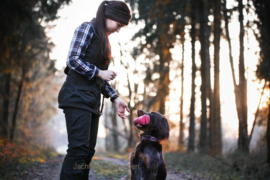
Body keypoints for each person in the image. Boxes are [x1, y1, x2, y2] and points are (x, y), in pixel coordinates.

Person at [57, 1, 131, 179]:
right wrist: (99, 72)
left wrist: (115, 98)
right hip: (76, 97)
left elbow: (99, 79)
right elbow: (73, 60)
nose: (118, 30)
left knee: (88, 151)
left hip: (91, 102)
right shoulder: (86, 28)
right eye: (118, 24)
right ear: (109, 16)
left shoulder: (104, 41)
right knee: (78, 150)